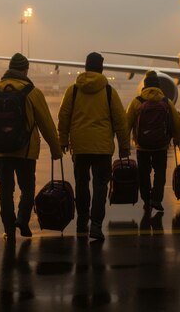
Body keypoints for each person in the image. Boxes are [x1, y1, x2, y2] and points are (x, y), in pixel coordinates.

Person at [0, 53, 62, 241]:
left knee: (5, 191)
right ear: (25, 70)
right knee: (27, 187)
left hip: (1, 152)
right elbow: (46, 123)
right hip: (25, 151)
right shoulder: (32, 92)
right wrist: (56, 150)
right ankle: (22, 219)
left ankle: (9, 229)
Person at [58, 52, 130, 240]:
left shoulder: (73, 90)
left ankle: (82, 221)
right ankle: (96, 225)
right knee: (100, 186)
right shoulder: (108, 91)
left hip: (80, 147)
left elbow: (64, 116)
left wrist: (63, 140)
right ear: (101, 68)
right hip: (102, 149)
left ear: (86, 67)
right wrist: (124, 146)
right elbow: (121, 121)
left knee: (82, 184)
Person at [125, 70, 180, 212]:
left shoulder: (137, 102)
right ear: (158, 85)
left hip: (142, 145)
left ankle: (146, 199)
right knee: (160, 173)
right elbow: (176, 121)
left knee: (144, 173)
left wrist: (124, 143)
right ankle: (157, 199)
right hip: (161, 145)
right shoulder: (166, 101)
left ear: (145, 85)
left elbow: (127, 123)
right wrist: (177, 138)